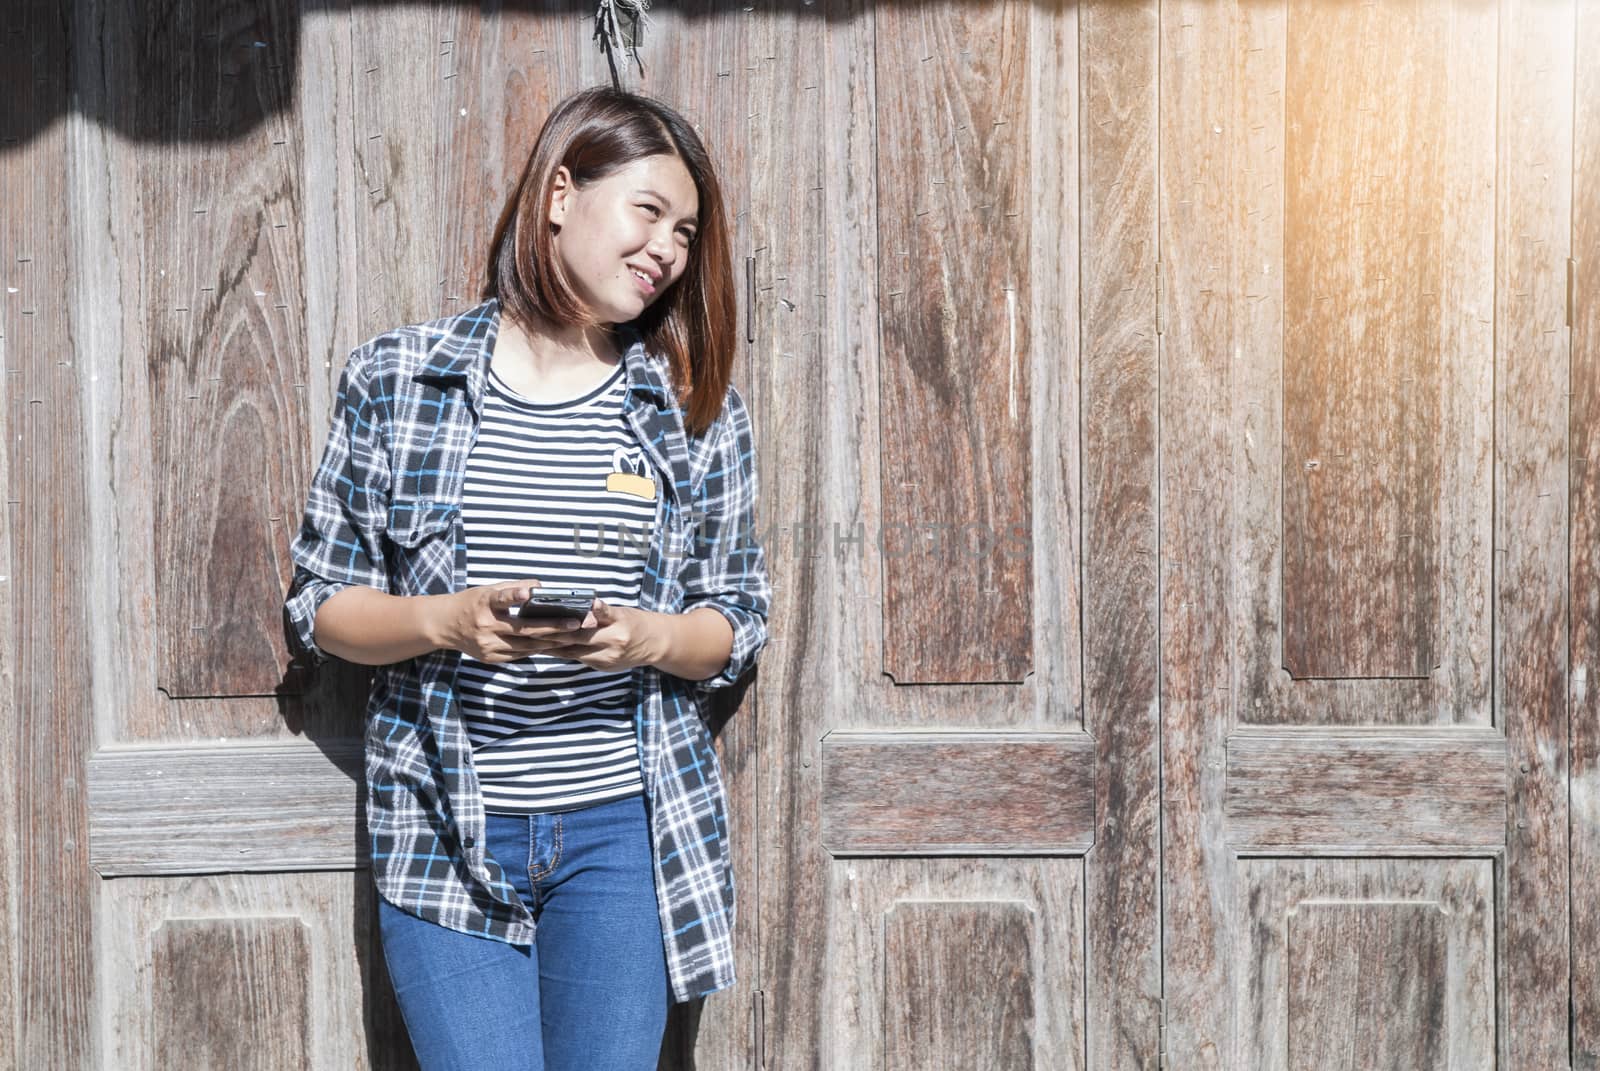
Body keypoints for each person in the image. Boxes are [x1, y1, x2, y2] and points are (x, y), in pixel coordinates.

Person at [282, 85, 772, 1071]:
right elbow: (323, 608)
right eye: (649, 211)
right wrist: (445, 621)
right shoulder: (397, 379)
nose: (668, 248)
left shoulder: (692, 408)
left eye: (685, 230)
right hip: (442, 827)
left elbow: (736, 615)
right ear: (560, 192)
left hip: (621, 837)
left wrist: (649, 638)